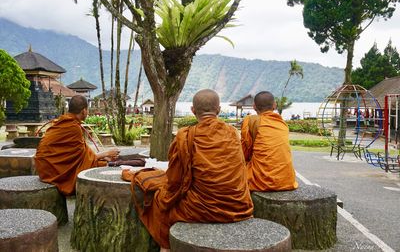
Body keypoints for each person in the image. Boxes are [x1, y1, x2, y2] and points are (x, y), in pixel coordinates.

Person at [129, 89, 253, 251]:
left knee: (161, 202)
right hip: (238, 206)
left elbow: (174, 182)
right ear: (219, 110)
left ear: (193, 110)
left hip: (199, 209)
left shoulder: (185, 136)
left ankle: (165, 247)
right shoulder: (232, 133)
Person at [35, 95, 119, 196]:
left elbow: (82, 153)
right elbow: (84, 156)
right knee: (101, 166)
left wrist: (101, 155)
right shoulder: (73, 127)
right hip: (53, 171)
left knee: (100, 161)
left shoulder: (61, 122)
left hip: (44, 168)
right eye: (87, 110)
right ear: (84, 111)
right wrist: (107, 153)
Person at [241, 91, 298, 191]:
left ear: (254, 107)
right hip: (287, 180)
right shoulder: (282, 124)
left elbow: (243, 154)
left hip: (260, 181)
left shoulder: (250, 121)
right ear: (274, 105)